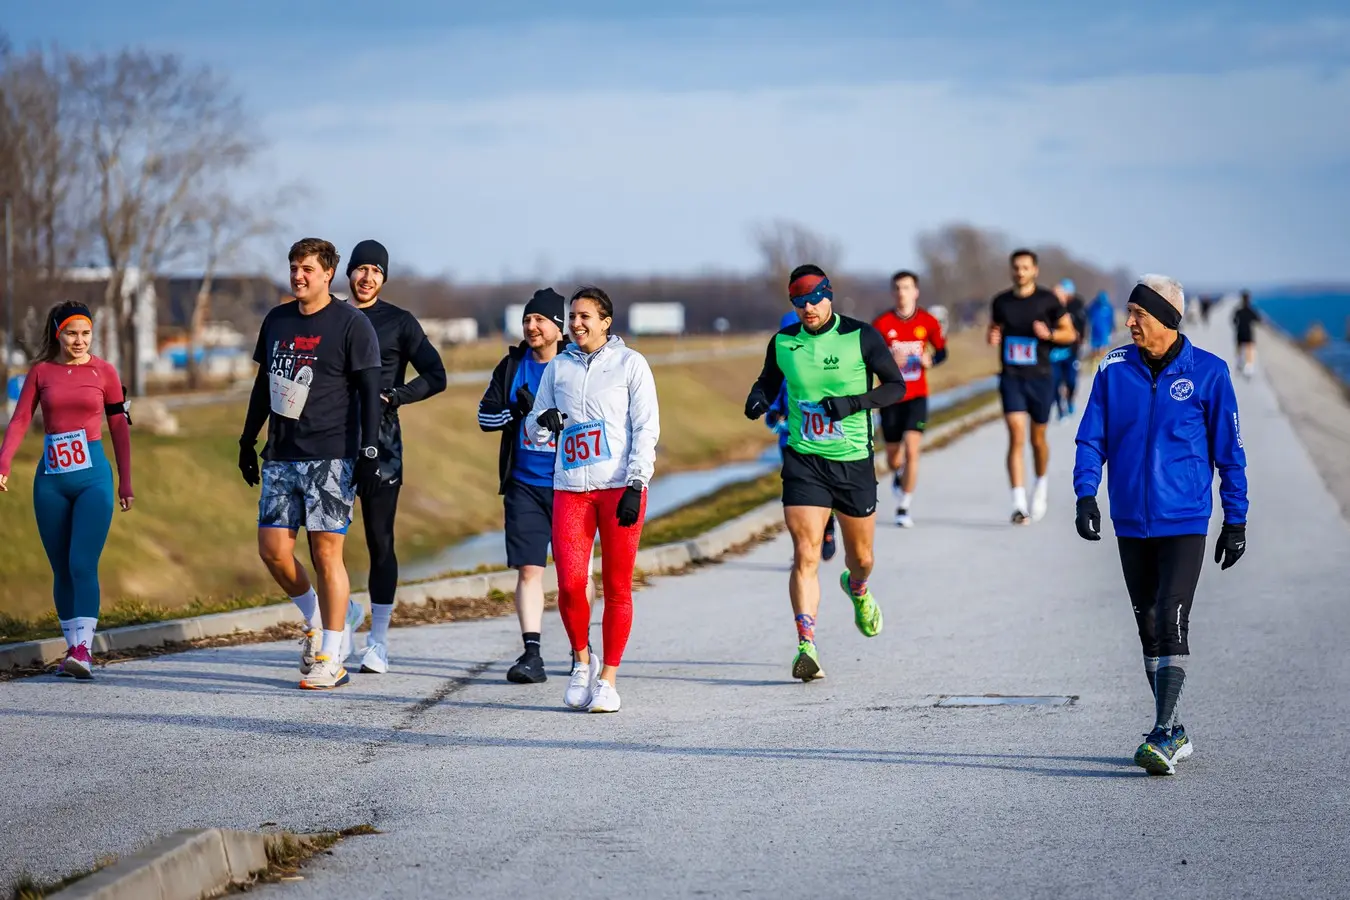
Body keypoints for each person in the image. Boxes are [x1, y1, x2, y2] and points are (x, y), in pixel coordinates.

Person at [1073, 274, 1248, 776]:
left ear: (1168, 321)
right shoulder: (1112, 370)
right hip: (1131, 520)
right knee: (1148, 625)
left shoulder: (1210, 373)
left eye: (1139, 315)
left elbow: (1229, 455)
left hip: (1184, 519)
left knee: (1170, 616)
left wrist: (1235, 520)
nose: (1128, 323)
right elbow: (1091, 438)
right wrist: (1086, 492)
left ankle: (1161, 734)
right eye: (1129, 313)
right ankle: (1173, 729)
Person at [744, 265, 906, 682]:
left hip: (853, 460)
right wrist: (757, 397)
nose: (808, 307)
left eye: (814, 298)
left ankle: (858, 588)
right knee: (806, 552)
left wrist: (854, 404)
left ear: (829, 294)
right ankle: (807, 646)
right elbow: (768, 380)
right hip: (804, 459)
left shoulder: (861, 336)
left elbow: (895, 387)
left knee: (862, 559)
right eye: (799, 301)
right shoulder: (783, 342)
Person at [237, 238, 382, 690]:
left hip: (332, 454)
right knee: (273, 551)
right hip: (282, 452)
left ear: (327, 274)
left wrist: (369, 450)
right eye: (294, 267)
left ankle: (330, 655)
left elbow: (368, 392)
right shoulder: (276, 320)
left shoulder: (351, 324)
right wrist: (247, 439)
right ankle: (320, 619)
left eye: (307, 269)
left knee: (326, 554)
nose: (298, 276)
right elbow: (264, 386)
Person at [527, 286, 659, 713]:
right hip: (571, 489)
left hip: (620, 487)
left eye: (586, 317)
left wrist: (637, 483)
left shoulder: (630, 364)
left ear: (606, 322)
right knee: (568, 585)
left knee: (618, 586)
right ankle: (582, 661)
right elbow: (535, 428)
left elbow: (646, 428)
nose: (576, 324)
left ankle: (609, 679)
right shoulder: (558, 367)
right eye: (572, 317)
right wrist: (543, 424)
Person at [0, 302, 133, 679]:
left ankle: (83, 650)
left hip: (93, 479)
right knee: (60, 567)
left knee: (81, 563)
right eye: (71, 333)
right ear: (58, 334)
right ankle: (73, 647)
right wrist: (3, 462)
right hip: (51, 481)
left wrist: (126, 480)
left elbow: (120, 429)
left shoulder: (104, 372)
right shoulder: (41, 372)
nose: (79, 340)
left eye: (86, 333)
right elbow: (21, 418)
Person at [478, 288, 594, 684]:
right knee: (530, 569)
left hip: (570, 484)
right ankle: (531, 654)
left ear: (558, 327)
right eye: (527, 320)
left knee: (575, 574)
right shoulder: (512, 367)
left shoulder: (575, 366)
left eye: (540, 320)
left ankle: (582, 646)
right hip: (524, 484)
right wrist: (516, 413)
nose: (531, 326)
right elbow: (484, 417)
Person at [345, 240, 447, 674]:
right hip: (329, 440)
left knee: (380, 541)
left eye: (376, 271)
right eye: (361, 269)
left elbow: (436, 374)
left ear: (384, 278)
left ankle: (379, 640)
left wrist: (395, 396)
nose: (367, 277)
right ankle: (344, 610)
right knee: (322, 539)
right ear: (347, 273)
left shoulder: (399, 322)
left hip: (382, 445)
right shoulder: (332, 316)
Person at [987, 249, 1078, 524]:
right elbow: (994, 330)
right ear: (1011, 270)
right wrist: (992, 336)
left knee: (1037, 439)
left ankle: (1040, 487)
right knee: (1015, 436)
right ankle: (1018, 504)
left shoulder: (1047, 300)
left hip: (1040, 377)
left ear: (1035, 270)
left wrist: (1049, 334)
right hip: (1011, 376)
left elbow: (1070, 333)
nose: (1020, 272)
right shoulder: (1001, 301)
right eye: (1016, 267)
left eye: (1025, 267)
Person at [872, 270, 947, 527]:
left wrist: (931, 359)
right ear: (893, 292)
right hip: (891, 397)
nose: (902, 292)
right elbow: (869, 359)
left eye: (907, 287)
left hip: (917, 395)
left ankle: (904, 506)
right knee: (894, 456)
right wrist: (888, 362)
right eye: (898, 288)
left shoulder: (927, 321)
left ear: (915, 291)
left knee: (913, 450)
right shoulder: (881, 324)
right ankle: (897, 473)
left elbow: (942, 352)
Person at [767, 309, 838, 557]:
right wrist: (774, 413)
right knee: (798, 498)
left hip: (822, 441)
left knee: (824, 491)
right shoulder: (780, 368)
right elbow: (773, 401)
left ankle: (827, 527)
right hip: (790, 443)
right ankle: (803, 548)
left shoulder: (828, 363)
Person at [1050, 278, 1088, 420]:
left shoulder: (1076, 307)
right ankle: (1060, 408)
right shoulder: (1048, 308)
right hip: (1053, 353)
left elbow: (1082, 325)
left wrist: (1080, 339)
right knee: (1055, 382)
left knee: (1071, 381)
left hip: (1071, 352)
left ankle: (1070, 400)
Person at [1233, 290, 1262, 379]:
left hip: (1240, 332)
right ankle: (1248, 367)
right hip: (1248, 333)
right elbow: (1258, 319)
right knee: (1250, 349)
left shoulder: (1238, 310)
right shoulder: (1251, 310)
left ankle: (1239, 362)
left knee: (1239, 348)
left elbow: (1234, 321)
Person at [1087, 291, 1115, 356]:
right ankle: (1094, 361)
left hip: (1105, 332)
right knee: (1095, 348)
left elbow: (1111, 318)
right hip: (1095, 331)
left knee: (1103, 348)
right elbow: (1088, 315)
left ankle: (1101, 360)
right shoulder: (1093, 306)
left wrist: (1112, 327)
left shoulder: (1109, 307)